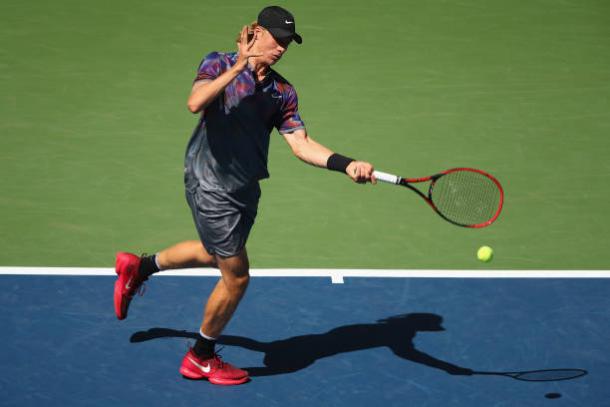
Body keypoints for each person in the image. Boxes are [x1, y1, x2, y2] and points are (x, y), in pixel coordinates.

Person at [113, 5, 375, 386]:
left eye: (289, 42)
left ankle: (140, 267)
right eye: (278, 39)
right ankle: (200, 357)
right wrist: (239, 65)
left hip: (243, 189)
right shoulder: (218, 63)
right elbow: (195, 102)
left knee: (211, 253)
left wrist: (345, 163)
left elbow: (300, 145)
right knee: (236, 278)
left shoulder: (282, 91)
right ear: (256, 32)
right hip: (209, 182)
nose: (283, 48)